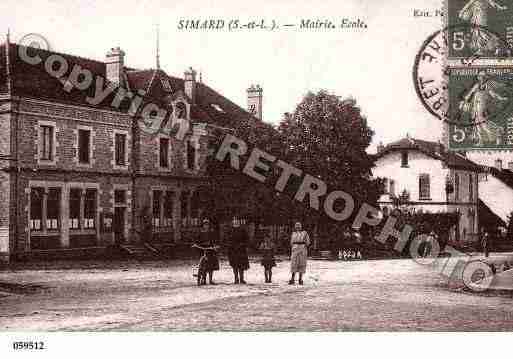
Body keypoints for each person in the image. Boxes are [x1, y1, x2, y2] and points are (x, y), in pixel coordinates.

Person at [192, 219, 219, 285]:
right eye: (205, 225)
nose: (206, 226)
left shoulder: (211, 232)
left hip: (210, 250)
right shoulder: (200, 233)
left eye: (207, 225)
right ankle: (203, 279)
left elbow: (215, 240)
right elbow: (196, 240)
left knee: (211, 265)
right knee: (203, 265)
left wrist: (215, 246)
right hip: (202, 249)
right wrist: (195, 245)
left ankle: (210, 279)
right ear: (203, 225)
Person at [227, 217, 250, 284]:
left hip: (241, 249)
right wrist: (230, 245)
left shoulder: (242, 230)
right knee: (234, 265)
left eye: (237, 221)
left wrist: (244, 245)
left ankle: (241, 279)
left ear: (239, 222)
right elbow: (227, 239)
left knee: (241, 265)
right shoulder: (230, 230)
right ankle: (236, 278)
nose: (235, 222)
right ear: (232, 222)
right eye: (234, 221)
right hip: (233, 250)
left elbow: (246, 239)